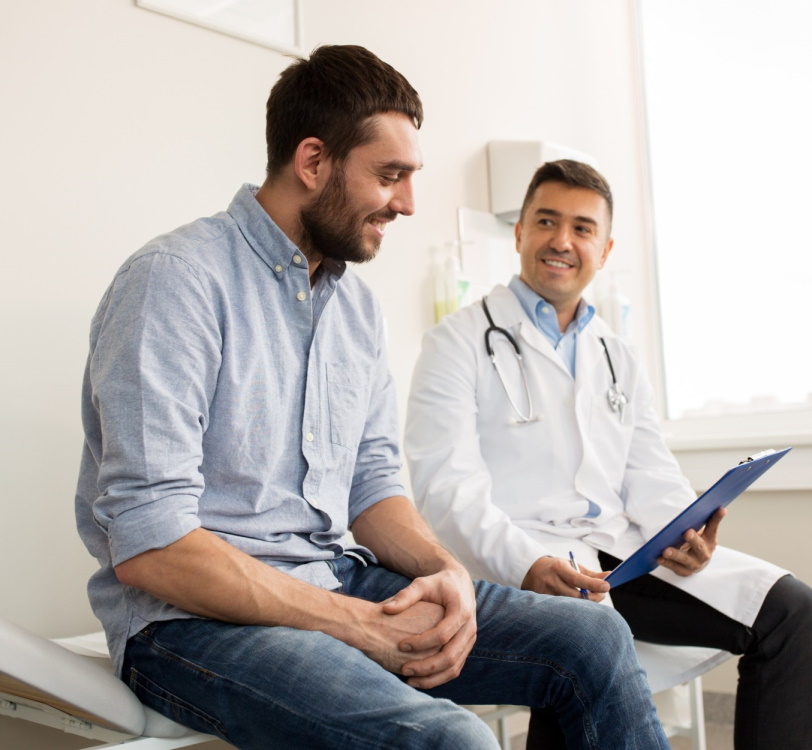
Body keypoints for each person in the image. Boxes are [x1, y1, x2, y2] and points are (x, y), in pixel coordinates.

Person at [74, 47, 670, 749]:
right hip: (189, 623)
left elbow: (372, 488)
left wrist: (446, 574)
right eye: (389, 176)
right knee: (454, 740)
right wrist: (353, 623)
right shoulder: (175, 282)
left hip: (334, 577)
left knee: (592, 637)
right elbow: (153, 548)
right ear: (313, 161)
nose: (408, 203)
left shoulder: (353, 309)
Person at [405, 158, 812, 750]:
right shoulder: (456, 343)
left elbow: (649, 471)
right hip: (519, 561)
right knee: (581, 645)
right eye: (546, 221)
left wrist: (687, 530)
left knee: (790, 610)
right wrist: (525, 564)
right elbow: (445, 491)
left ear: (603, 250)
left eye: (582, 228)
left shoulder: (616, 355)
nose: (562, 240)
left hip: (622, 556)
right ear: (520, 232)